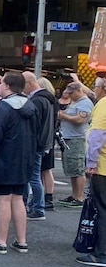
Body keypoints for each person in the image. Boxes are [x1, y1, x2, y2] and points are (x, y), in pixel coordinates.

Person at [0, 72, 38, 255]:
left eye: (2, 82)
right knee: (18, 198)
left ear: (7, 86)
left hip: (3, 160)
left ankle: (0, 241)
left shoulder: (2, 108)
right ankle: (21, 241)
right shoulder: (31, 106)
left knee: (2, 199)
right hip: (24, 160)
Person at [23, 72, 59, 220]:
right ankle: (36, 206)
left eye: (23, 84)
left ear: (30, 83)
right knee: (35, 176)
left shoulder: (37, 100)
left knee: (33, 177)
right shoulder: (48, 99)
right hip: (44, 141)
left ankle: (38, 208)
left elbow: (33, 124)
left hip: (35, 143)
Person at [80, 78, 106, 266]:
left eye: (95, 87)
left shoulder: (104, 105)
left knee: (102, 208)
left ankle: (101, 253)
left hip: (103, 166)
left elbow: (96, 135)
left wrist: (91, 162)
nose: (94, 90)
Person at [57, 81, 93, 207]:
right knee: (72, 169)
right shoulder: (76, 102)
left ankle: (79, 197)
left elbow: (80, 119)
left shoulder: (85, 103)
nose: (70, 95)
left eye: (71, 93)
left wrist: (64, 116)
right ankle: (74, 195)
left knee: (78, 169)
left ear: (79, 90)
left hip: (77, 139)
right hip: (69, 138)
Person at [37, 78, 59, 212]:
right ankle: (48, 196)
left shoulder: (42, 101)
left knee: (42, 170)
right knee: (47, 169)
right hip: (50, 137)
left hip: (43, 138)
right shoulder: (53, 101)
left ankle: (44, 197)